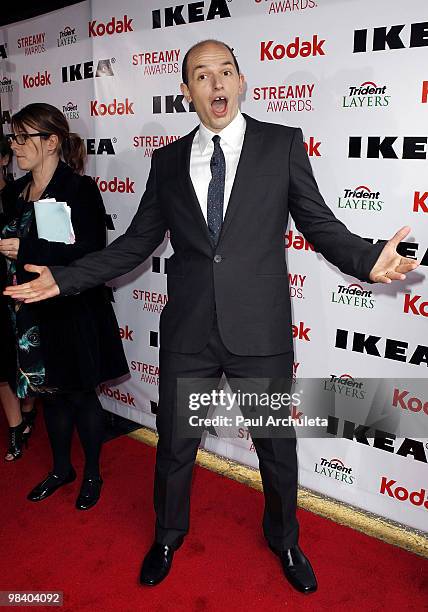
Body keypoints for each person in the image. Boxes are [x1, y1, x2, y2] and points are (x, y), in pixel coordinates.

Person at [4, 42, 419, 591]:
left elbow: (320, 225)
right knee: (176, 445)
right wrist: (67, 277)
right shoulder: (168, 160)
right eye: (203, 75)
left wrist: (369, 259)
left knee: (275, 448)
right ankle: (168, 535)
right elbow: (134, 244)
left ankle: (285, 539)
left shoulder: (281, 144)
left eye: (226, 71)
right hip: (189, 331)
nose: (217, 83)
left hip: (261, 329)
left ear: (241, 82)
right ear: (188, 92)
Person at [1, 103, 128, 508]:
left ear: (51, 142)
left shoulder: (78, 189)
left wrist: (27, 249)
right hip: (30, 314)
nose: (16, 146)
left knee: (80, 396)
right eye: (13, 138)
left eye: (24, 137)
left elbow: (91, 250)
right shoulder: (13, 192)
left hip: (73, 312)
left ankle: (92, 474)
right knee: (49, 395)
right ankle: (61, 469)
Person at [0, 136, 37, 461]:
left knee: (25, 360)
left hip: (20, 290)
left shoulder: (17, 196)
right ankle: (15, 427)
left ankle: (28, 410)